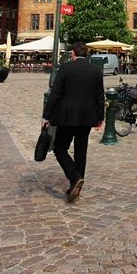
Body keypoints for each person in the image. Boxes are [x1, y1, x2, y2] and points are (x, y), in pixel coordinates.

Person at [42, 41, 105, 203]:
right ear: (86, 54)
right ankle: (76, 184)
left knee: (60, 148)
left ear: (73, 54)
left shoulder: (66, 68)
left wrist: (46, 116)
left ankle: (74, 177)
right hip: (87, 116)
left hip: (67, 115)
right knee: (81, 150)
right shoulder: (95, 71)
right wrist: (100, 118)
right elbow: (100, 96)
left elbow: (55, 94)